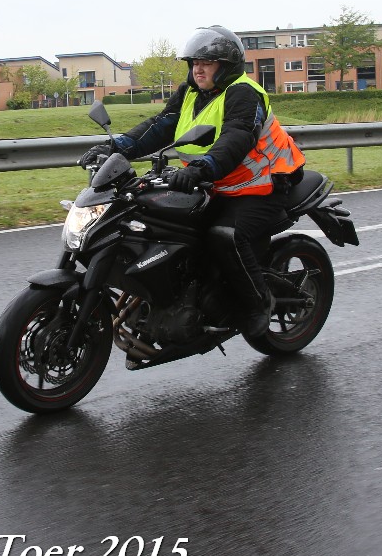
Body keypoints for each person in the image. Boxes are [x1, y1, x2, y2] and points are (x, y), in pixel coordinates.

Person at [78, 25, 305, 339]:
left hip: (261, 185)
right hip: (216, 183)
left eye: (207, 63)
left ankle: (258, 302)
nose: (198, 69)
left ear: (226, 66)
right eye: (195, 63)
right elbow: (160, 126)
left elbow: (237, 137)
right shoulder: (191, 92)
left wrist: (201, 168)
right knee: (156, 220)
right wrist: (115, 148)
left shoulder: (244, 93)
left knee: (224, 235)